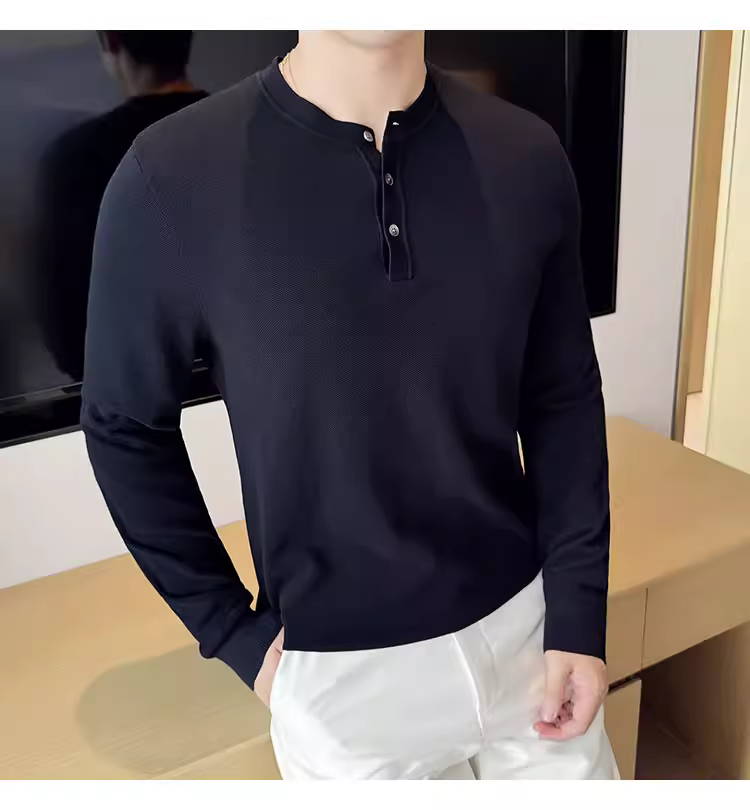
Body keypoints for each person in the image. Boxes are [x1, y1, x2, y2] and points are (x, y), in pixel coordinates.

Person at [82, 30, 615, 780]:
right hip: (341, 680)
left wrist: (579, 614)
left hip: (531, 636)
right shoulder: (170, 175)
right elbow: (123, 425)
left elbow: (562, 397)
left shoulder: (525, 152)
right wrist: (232, 633)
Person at [35, 31, 207, 382]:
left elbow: (69, 334)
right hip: (258, 390)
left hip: (135, 395)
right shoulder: (255, 135)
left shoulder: (75, 159)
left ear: (111, 40)